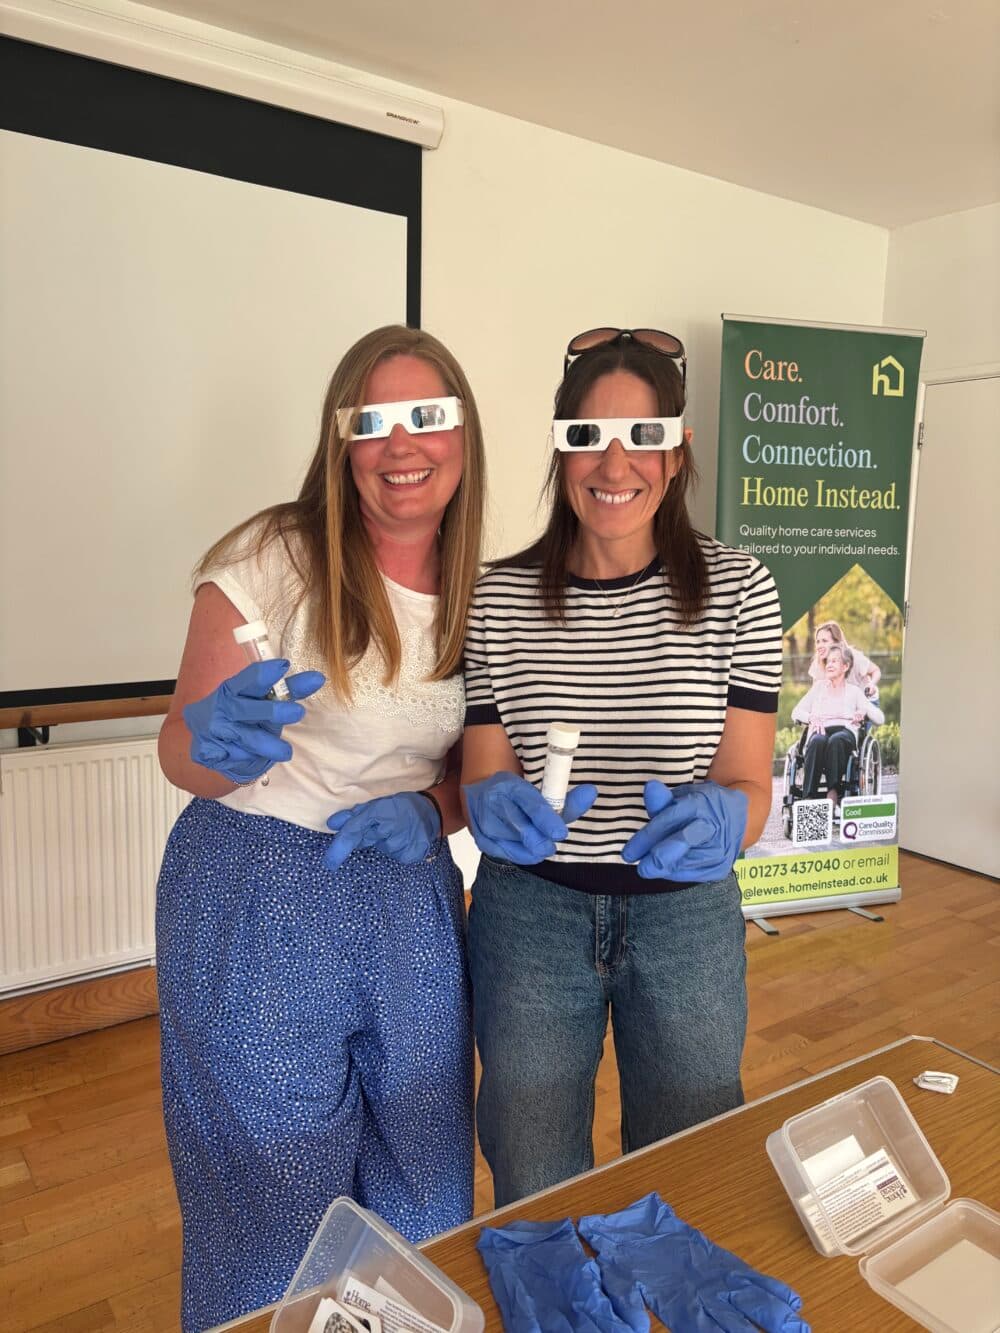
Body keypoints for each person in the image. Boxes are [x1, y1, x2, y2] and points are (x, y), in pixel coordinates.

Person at [156, 325, 485, 1331]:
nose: (401, 444)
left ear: (464, 435)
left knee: (425, 1179)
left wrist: (431, 810)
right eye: (371, 421)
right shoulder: (271, 556)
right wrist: (216, 741)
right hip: (258, 884)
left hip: (410, 897)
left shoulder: (488, 587)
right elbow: (184, 750)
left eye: (425, 417)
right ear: (339, 442)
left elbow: (480, 774)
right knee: (276, 1204)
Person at [459, 326, 783, 1207]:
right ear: (560, 452)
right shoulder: (498, 595)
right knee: (529, 1160)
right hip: (531, 913)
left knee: (690, 1157)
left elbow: (749, 788)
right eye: (587, 437)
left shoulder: (741, 589)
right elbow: (483, 765)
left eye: (644, 437)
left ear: (677, 454)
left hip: (685, 920)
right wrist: (487, 797)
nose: (615, 462)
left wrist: (731, 821)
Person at [792, 642, 884, 807]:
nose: (830, 664)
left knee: (837, 740)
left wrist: (864, 712)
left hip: (845, 732)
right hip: (820, 730)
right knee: (818, 741)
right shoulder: (818, 688)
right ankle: (809, 798)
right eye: (829, 661)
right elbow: (796, 712)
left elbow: (880, 718)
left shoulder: (854, 691)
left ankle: (832, 791)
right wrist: (812, 718)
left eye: (835, 661)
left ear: (845, 666)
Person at [808, 619, 881, 696]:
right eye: (818, 642)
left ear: (836, 642)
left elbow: (876, 670)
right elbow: (815, 691)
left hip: (866, 699)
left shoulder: (854, 657)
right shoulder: (818, 663)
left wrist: (871, 684)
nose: (819, 646)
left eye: (824, 641)